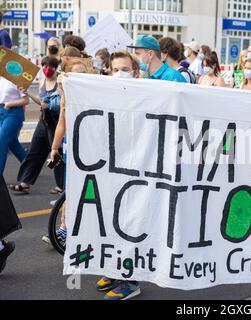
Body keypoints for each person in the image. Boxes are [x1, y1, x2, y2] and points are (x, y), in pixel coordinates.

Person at [94, 50, 142, 300]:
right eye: (116, 70)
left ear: (135, 72)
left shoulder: (147, 96)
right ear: (109, 72)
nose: (121, 73)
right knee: (110, 222)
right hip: (110, 167)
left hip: (136, 171)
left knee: (129, 224)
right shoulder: (107, 95)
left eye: (126, 69)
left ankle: (130, 280)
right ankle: (115, 268)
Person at [9, 57, 64, 195]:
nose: (47, 69)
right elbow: (41, 102)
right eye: (44, 65)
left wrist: (51, 105)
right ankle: (24, 183)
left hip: (56, 122)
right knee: (34, 151)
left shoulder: (60, 82)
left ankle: (62, 185)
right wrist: (28, 94)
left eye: (50, 66)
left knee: (56, 155)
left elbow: (61, 104)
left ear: (56, 68)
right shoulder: (43, 83)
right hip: (44, 120)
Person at [0, 76, 29, 177]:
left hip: (14, 112)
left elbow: (26, 100)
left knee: (1, 141)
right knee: (13, 143)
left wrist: (9, 104)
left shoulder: (17, 79)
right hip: (2, 112)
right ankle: (30, 167)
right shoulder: (2, 79)